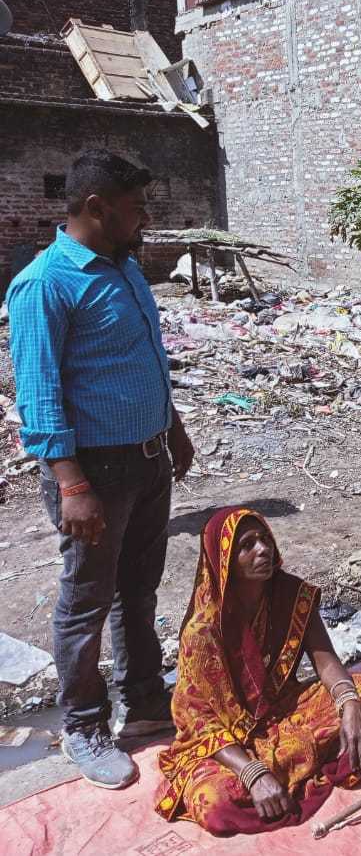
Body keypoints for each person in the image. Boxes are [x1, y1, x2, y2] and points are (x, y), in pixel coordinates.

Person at [5, 150, 196, 790]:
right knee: (85, 603)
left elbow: (146, 358)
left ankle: (142, 699)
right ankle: (84, 726)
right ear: (96, 208)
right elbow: (37, 393)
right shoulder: (46, 283)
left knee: (138, 590)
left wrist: (172, 424)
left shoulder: (125, 268)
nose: (146, 218)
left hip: (148, 460)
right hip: (96, 474)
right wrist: (71, 484)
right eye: (136, 207)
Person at [156, 507, 361, 834]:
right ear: (225, 559)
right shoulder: (202, 631)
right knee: (215, 804)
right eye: (247, 545)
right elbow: (198, 722)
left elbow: (325, 659)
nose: (263, 549)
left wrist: (350, 705)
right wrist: (253, 773)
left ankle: (304, 764)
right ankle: (300, 768)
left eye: (265, 539)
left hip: (285, 712)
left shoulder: (291, 593)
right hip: (227, 743)